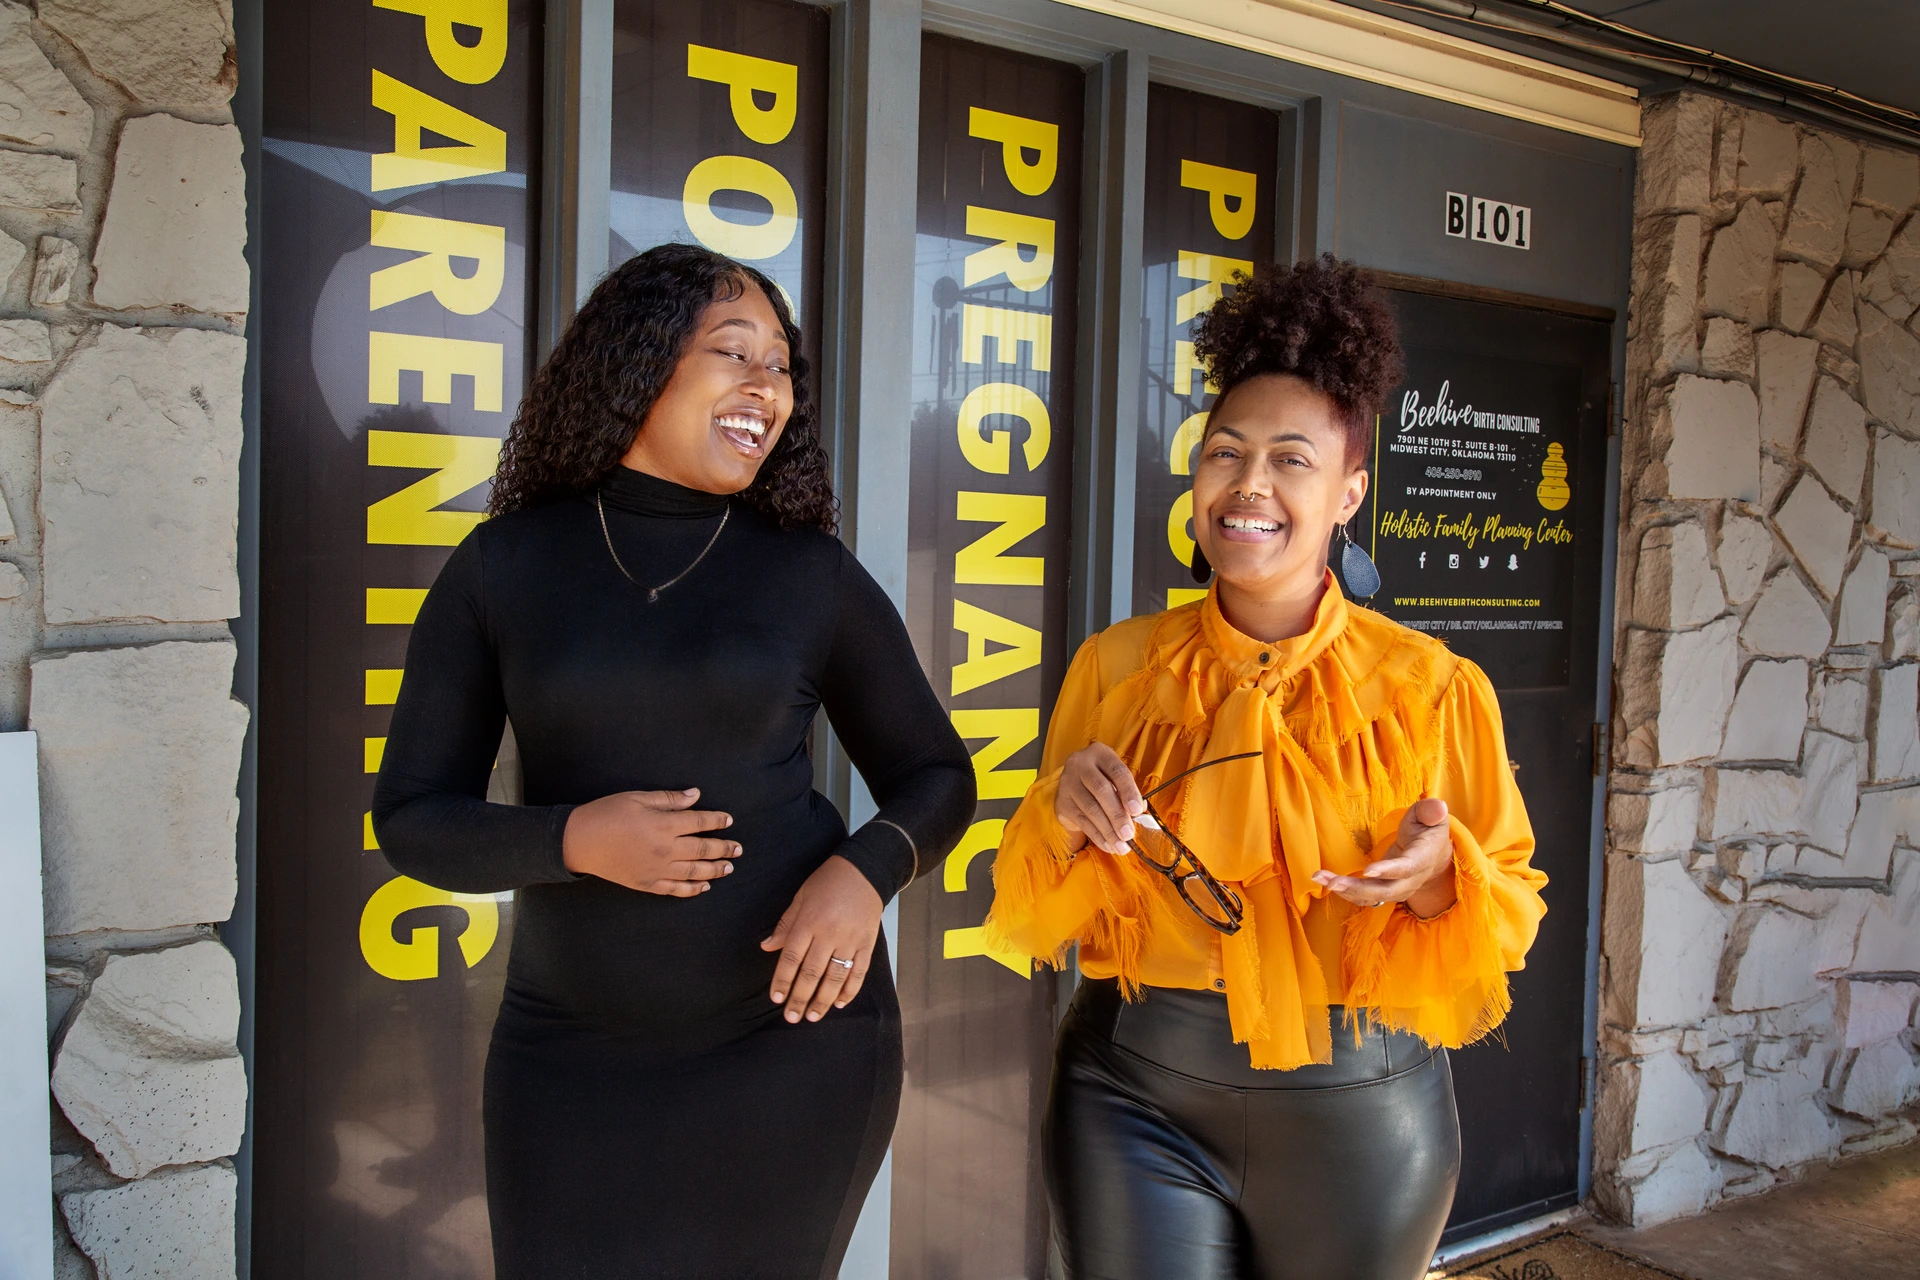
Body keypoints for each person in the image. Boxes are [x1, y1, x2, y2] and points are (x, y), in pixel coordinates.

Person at [373, 243, 976, 1278]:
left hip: (789, 1046)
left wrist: (861, 871)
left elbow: (937, 775)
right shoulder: (504, 567)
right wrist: (571, 837)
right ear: (640, 363)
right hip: (565, 1057)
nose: (767, 387)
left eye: (781, 365)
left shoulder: (809, 575)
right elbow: (414, 818)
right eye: (733, 353)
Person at [984, 256, 1548, 1280]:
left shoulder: (1435, 686)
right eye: (1225, 452)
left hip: (1362, 1114)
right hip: (1130, 1090)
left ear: (1349, 493)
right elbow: (1037, 887)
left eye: (1292, 459)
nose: (1248, 484)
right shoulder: (1114, 666)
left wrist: (1441, 873)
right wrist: (1061, 807)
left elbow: (1505, 896)